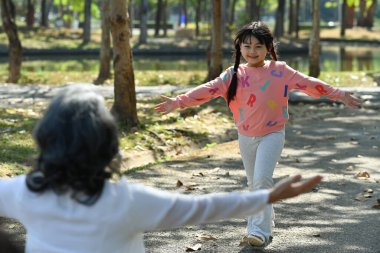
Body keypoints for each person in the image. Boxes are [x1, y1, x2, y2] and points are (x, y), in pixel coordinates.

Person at [0, 85, 322, 253]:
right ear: (108, 145)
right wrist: (267, 197)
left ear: (45, 139)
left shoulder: (26, 192)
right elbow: (202, 208)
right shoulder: (125, 201)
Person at [155, 21, 361, 248]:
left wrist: (339, 94)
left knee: (262, 180)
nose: (252, 51)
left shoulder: (280, 71)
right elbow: (207, 90)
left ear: (268, 48)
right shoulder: (232, 75)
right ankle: (265, 219)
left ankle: (258, 231)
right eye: (247, 46)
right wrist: (178, 102)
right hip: (245, 136)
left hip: (272, 133)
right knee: (255, 183)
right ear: (239, 49)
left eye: (258, 46)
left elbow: (309, 84)